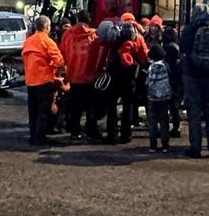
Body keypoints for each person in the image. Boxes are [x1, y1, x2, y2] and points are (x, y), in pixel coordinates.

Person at [181, 4, 209, 158]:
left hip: (192, 76)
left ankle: (195, 147)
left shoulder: (190, 30)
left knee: (194, 112)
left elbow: (183, 49)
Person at [22, 15, 66, 146]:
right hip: (44, 80)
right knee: (43, 110)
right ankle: (40, 138)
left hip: (30, 81)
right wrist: (57, 67)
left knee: (33, 110)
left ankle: (33, 135)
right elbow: (59, 60)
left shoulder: (28, 41)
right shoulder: (47, 41)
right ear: (47, 27)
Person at [59, 10, 103, 141]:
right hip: (90, 76)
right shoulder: (95, 36)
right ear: (89, 20)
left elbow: (62, 53)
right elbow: (100, 56)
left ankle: (75, 131)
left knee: (75, 107)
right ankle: (91, 131)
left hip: (74, 75)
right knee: (91, 107)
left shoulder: (67, 34)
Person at [105, 20, 142, 144]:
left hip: (114, 78)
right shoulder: (135, 44)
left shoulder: (114, 43)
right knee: (128, 106)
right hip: (129, 80)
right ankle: (126, 135)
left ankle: (112, 134)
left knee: (111, 107)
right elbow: (143, 58)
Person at [145, 45, 173, 152]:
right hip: (164, 97)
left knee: (152, 121)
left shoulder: (150, 67)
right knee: (164, 120)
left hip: (152, 97)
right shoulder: (165, 65)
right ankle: (165, 144)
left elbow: (147, 82)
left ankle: (153, 145)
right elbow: (170, 79)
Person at [161, 23, 183, 137]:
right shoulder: (176, 47)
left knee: (166, 104)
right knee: (175, 105)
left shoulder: (166, 47)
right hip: (177, 78)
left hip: (168, 78)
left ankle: (168, 128)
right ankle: (176, 126)